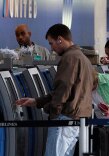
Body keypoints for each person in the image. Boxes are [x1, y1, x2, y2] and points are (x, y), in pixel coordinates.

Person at [16, 24, 93, 156]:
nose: (51, 48)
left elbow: (63, 89)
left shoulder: (69, 58)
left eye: (51, 43)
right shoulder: (81, 57)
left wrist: (52, 112)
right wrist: (36, 101)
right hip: (77, 119)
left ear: (60, 39)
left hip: (64, 119)